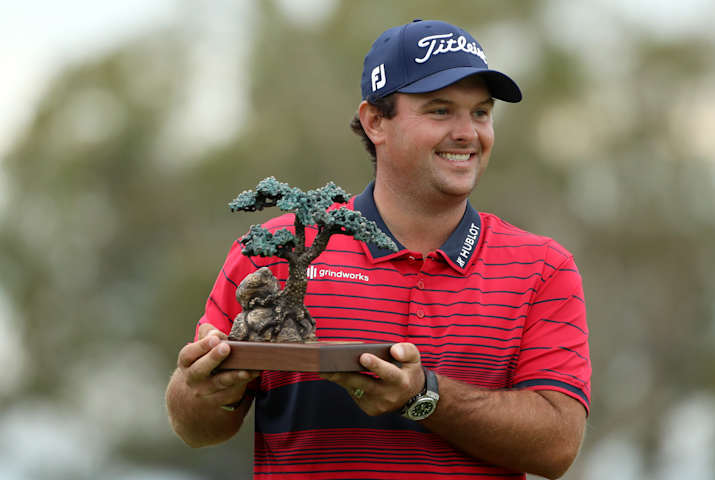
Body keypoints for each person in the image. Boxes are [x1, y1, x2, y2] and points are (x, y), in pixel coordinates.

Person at [166, 19, 591, 480]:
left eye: (481, 112)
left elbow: (558, 446)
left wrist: (424, 396)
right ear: (375, 122)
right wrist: (209, 389)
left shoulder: (542, 267)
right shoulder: (274, 248)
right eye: (440, 110)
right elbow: (194, 425)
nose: (468, 133)